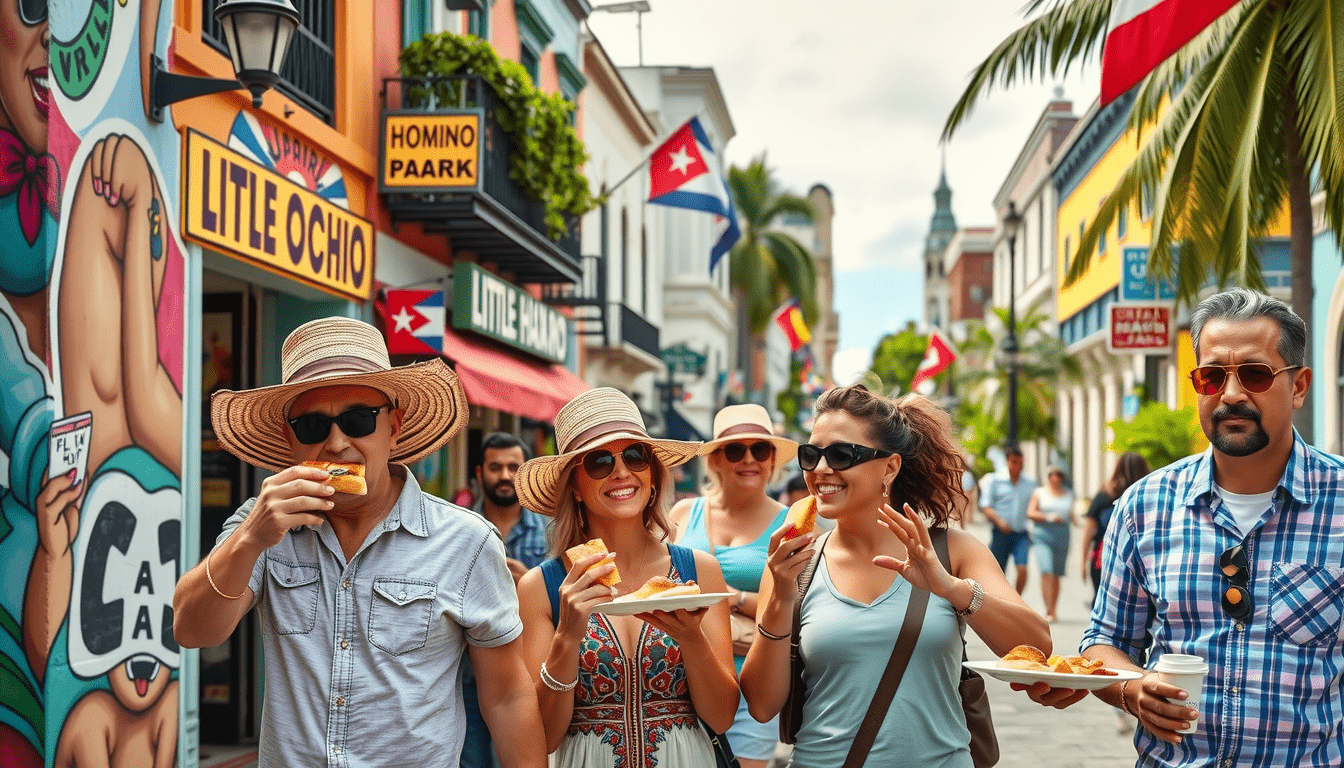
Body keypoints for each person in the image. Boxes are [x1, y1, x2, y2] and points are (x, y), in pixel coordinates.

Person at [172, 317, 546, 767]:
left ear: (396, 426)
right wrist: (251, 538)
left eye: (357, 419)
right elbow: (192, 629)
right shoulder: (263, 526)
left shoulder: (465, 541)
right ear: (290, 440)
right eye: (311, 426)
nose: (335, 442)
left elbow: (507, 697)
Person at [1018, 288, 1344, 767]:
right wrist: (1132, 689)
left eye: (1254, 374)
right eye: (1211, 377)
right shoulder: (1144, 507)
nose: (1231, 394)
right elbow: (1106, 641)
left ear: (1298, 386)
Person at [740, 385, 1050, 767]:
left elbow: (1036, 645)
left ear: (889, 467)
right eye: (811, 455)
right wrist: (779, 600)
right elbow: (761, 705)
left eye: (840, 455)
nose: (821, 470)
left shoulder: (953, 551)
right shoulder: (795, 564)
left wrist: (950, 588)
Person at [513, 387, 739, 767]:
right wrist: (568, 635)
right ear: (575, 487)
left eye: (635, 456)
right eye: (599, 462)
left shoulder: (697, 571)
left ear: (652, 475)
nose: (621, 472)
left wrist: (690, 637)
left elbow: (722, 717)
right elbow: (546, 737)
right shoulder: (542, 587)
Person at [670, 403, 799, 768]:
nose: (749, 459)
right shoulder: (683, 514)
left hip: (751, 684)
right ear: (714, 460)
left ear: (772, 460)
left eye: (760, 449)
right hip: (682, 678)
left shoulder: (791, 525)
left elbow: (796, 606)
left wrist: (730, 596)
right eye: (735, 449)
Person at [462, 432, 552, 768]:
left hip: (525, 674)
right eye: (495, 467)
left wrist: (530, 580)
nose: (504, 475)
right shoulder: (460, 529)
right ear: (478, 471)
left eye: (513, 467)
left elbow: (566, 604)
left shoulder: (550, 531)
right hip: (466, 673)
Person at [1081, 452, 1149, 603]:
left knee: (1103, 601)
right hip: (1142, 558)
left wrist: (1083, 559)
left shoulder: (1105, 495)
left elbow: (1088, 529)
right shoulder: (1148, 494)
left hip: (1105, 556)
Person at [981, 446, 1038, 594]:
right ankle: (999, 600)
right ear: (1007, 462)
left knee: (1022, 569)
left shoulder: (1030, 483)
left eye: (1020, 462)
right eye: (1014, 462)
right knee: (998, 572)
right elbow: (985, 505)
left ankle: (1016, 600)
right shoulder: (995, 480)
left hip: (1021, 534)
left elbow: (1036, 505)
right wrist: (999, 521)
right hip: (1000, 533)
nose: (1017, 466)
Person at [1026, 466, 1074, 622]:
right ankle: (1048, 609)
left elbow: (1071, 515)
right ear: (1048, 477)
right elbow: (1031, 512)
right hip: (1042, 535)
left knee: (1056, 574)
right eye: (1052, 475)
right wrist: (1048, 517)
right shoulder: (1039, 493)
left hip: (1062, 536)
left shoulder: (1068, 494)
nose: (1056, 478)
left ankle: (1054, 607)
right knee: (1046, 570)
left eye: (1059, 475)